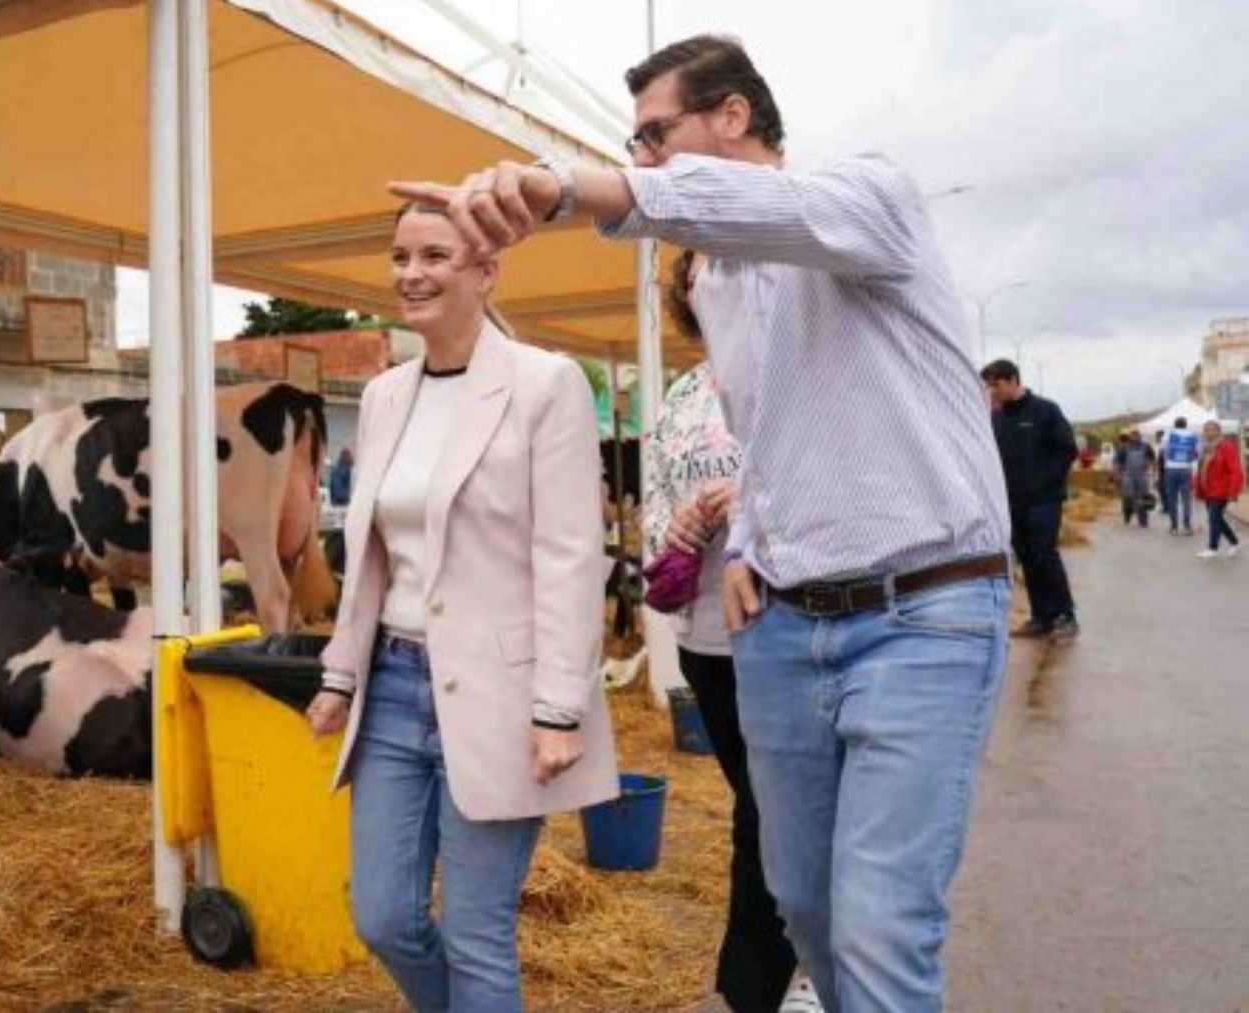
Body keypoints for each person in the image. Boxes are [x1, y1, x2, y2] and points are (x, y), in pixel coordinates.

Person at [391, 34, 1013, 1011]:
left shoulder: (870, 200)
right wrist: (756, 537)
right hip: (783, 631)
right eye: (631, 144)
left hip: (922, 617)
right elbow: (772, 433)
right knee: (802, 904)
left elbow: (762, 206)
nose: (640, 161)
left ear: (733, 115)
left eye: (654, 134)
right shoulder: (717, 283)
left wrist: (571, 189)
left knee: (884, 923)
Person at [304, 202, 617, 1012]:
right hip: (396, 685)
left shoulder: (545, 384)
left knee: (477, 933)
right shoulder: (382, 396)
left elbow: (571, 555)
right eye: (401, 255)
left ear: (486, 270)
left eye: (437, 254)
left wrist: (559, 705)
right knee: (382, 916)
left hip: (503, 694)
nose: (412, 273)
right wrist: (340, 673)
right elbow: (368, 551)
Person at [645, 249, 812, 1013]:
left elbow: (826, 473)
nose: (708, 286)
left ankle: (762, 982)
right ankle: (782, 972)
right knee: (757, 804)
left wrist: (749, 491)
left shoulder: (795, 367)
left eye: (722, 269)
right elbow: (653, 499)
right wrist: (675, 524)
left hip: (784, 622)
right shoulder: (681, 394)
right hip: (705, 635)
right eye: (693, 277)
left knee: (766, 812)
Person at [981, 359, 1079, 638]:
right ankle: (1040, 617)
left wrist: (1049, 483)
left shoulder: (1045, 411)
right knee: (1026, 556)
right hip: (1012, 502)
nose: (992, 391)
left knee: (1044, 554)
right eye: (988, 386)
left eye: (996, 384)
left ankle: (1065, 614)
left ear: (1013, 380)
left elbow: (1066, 449)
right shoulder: (997, 418)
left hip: (1044, 500)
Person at [1194, 420, 1243, 559]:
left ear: (1218, 431)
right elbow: (1201, 469)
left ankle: (1212, 548)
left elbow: (1235, 470)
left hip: (1221, 489)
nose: (1209, 432)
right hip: (1208, 489)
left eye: (1211, 429)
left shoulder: (1227, 447)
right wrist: (1197, 486)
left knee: (1214, 518)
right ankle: (1235, 542)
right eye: (1206, 430)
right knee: (1217, 519)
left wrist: (1233, 491)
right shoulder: (1206, 448)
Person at [1163, 418, 1200, 535]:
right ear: (1186, 425)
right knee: (1186, 500)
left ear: (1175, 425)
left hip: (1171, 469)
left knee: (1172, 499)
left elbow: (1163, 449)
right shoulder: (1194, 436)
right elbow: (1196, 453)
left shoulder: (1168, 434)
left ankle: (1174, 527)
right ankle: (1187, 526)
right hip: (1186, 469)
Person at [1112, 431, 1156, 528]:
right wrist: (1117, 474)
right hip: (1127, 474)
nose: (1135, 438)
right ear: (1130, 438)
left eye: (1137, 436)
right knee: (1127, 497)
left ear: (1140, 437)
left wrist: (1149, 464)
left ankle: (1143, 520)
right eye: (1133, 436)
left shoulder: (1146, 446)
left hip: (1142, 474)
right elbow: (1117, 461)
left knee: (1143, 497)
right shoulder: (1124, 447)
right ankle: (1127, 514)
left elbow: (1152, 458)